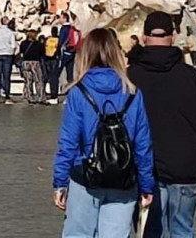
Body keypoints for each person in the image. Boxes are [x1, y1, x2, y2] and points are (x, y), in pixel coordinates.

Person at [128, 11, 196, 238]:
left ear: (144, 37)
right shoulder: (192, 77)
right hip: (186, 166)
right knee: (183, 229)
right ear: (172, 38)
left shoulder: (130, 77)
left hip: (145, 167)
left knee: (151, 231)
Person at [52, 26, 155, 237]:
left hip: (84, 176)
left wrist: (60, 182)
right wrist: (147, 185)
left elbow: (68, 143)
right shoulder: (133, 92)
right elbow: (143, 145)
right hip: (124, 177)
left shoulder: (78, 92)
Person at [0, 16, 18, 105]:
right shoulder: (10, 33)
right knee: (7, 77)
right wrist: (11, 53)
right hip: (7, 55)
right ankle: (7, 97)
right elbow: (13, 45)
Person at [19, 29, 45, 105]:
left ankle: (29, 97)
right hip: (35, 62)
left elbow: (21, 52)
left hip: (26, 62)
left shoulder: (23, 43)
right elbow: (42, 54)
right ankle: (40, 97)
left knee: (28, 81)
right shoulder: (38, 44)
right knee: (38, 80)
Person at [58, 11, 81, 88]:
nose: (59, 20)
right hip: (72, 51)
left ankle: (54, 93)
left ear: (65, 18)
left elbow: (61, 41)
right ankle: (71, 89)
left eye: (60, 18)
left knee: (56, 71)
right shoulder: (72, 28)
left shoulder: (64, 29)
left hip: (64, 52)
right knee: (70, 73)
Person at [43, 24, 62, 105]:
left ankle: (49, 94)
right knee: (54, 77)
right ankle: (54, 95)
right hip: (55, 59)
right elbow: (60, 50)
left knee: (48, 77)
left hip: (47, 59)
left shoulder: (48, 39)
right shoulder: (58, 40)